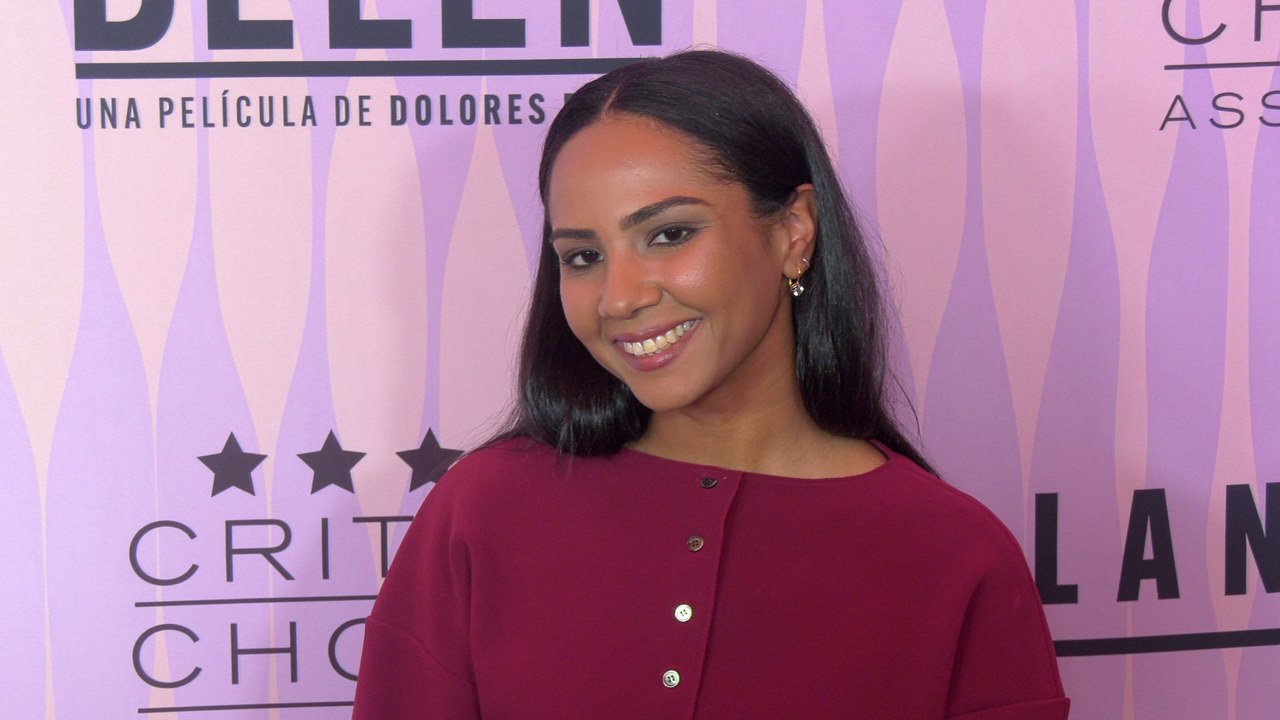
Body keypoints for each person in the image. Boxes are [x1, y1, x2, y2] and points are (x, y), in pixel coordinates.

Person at [352, 50, 1069, 719]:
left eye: (669, 234)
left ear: (794, 231)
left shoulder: (955, 555)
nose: (619, 298)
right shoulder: (482, 513)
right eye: (583, 256)